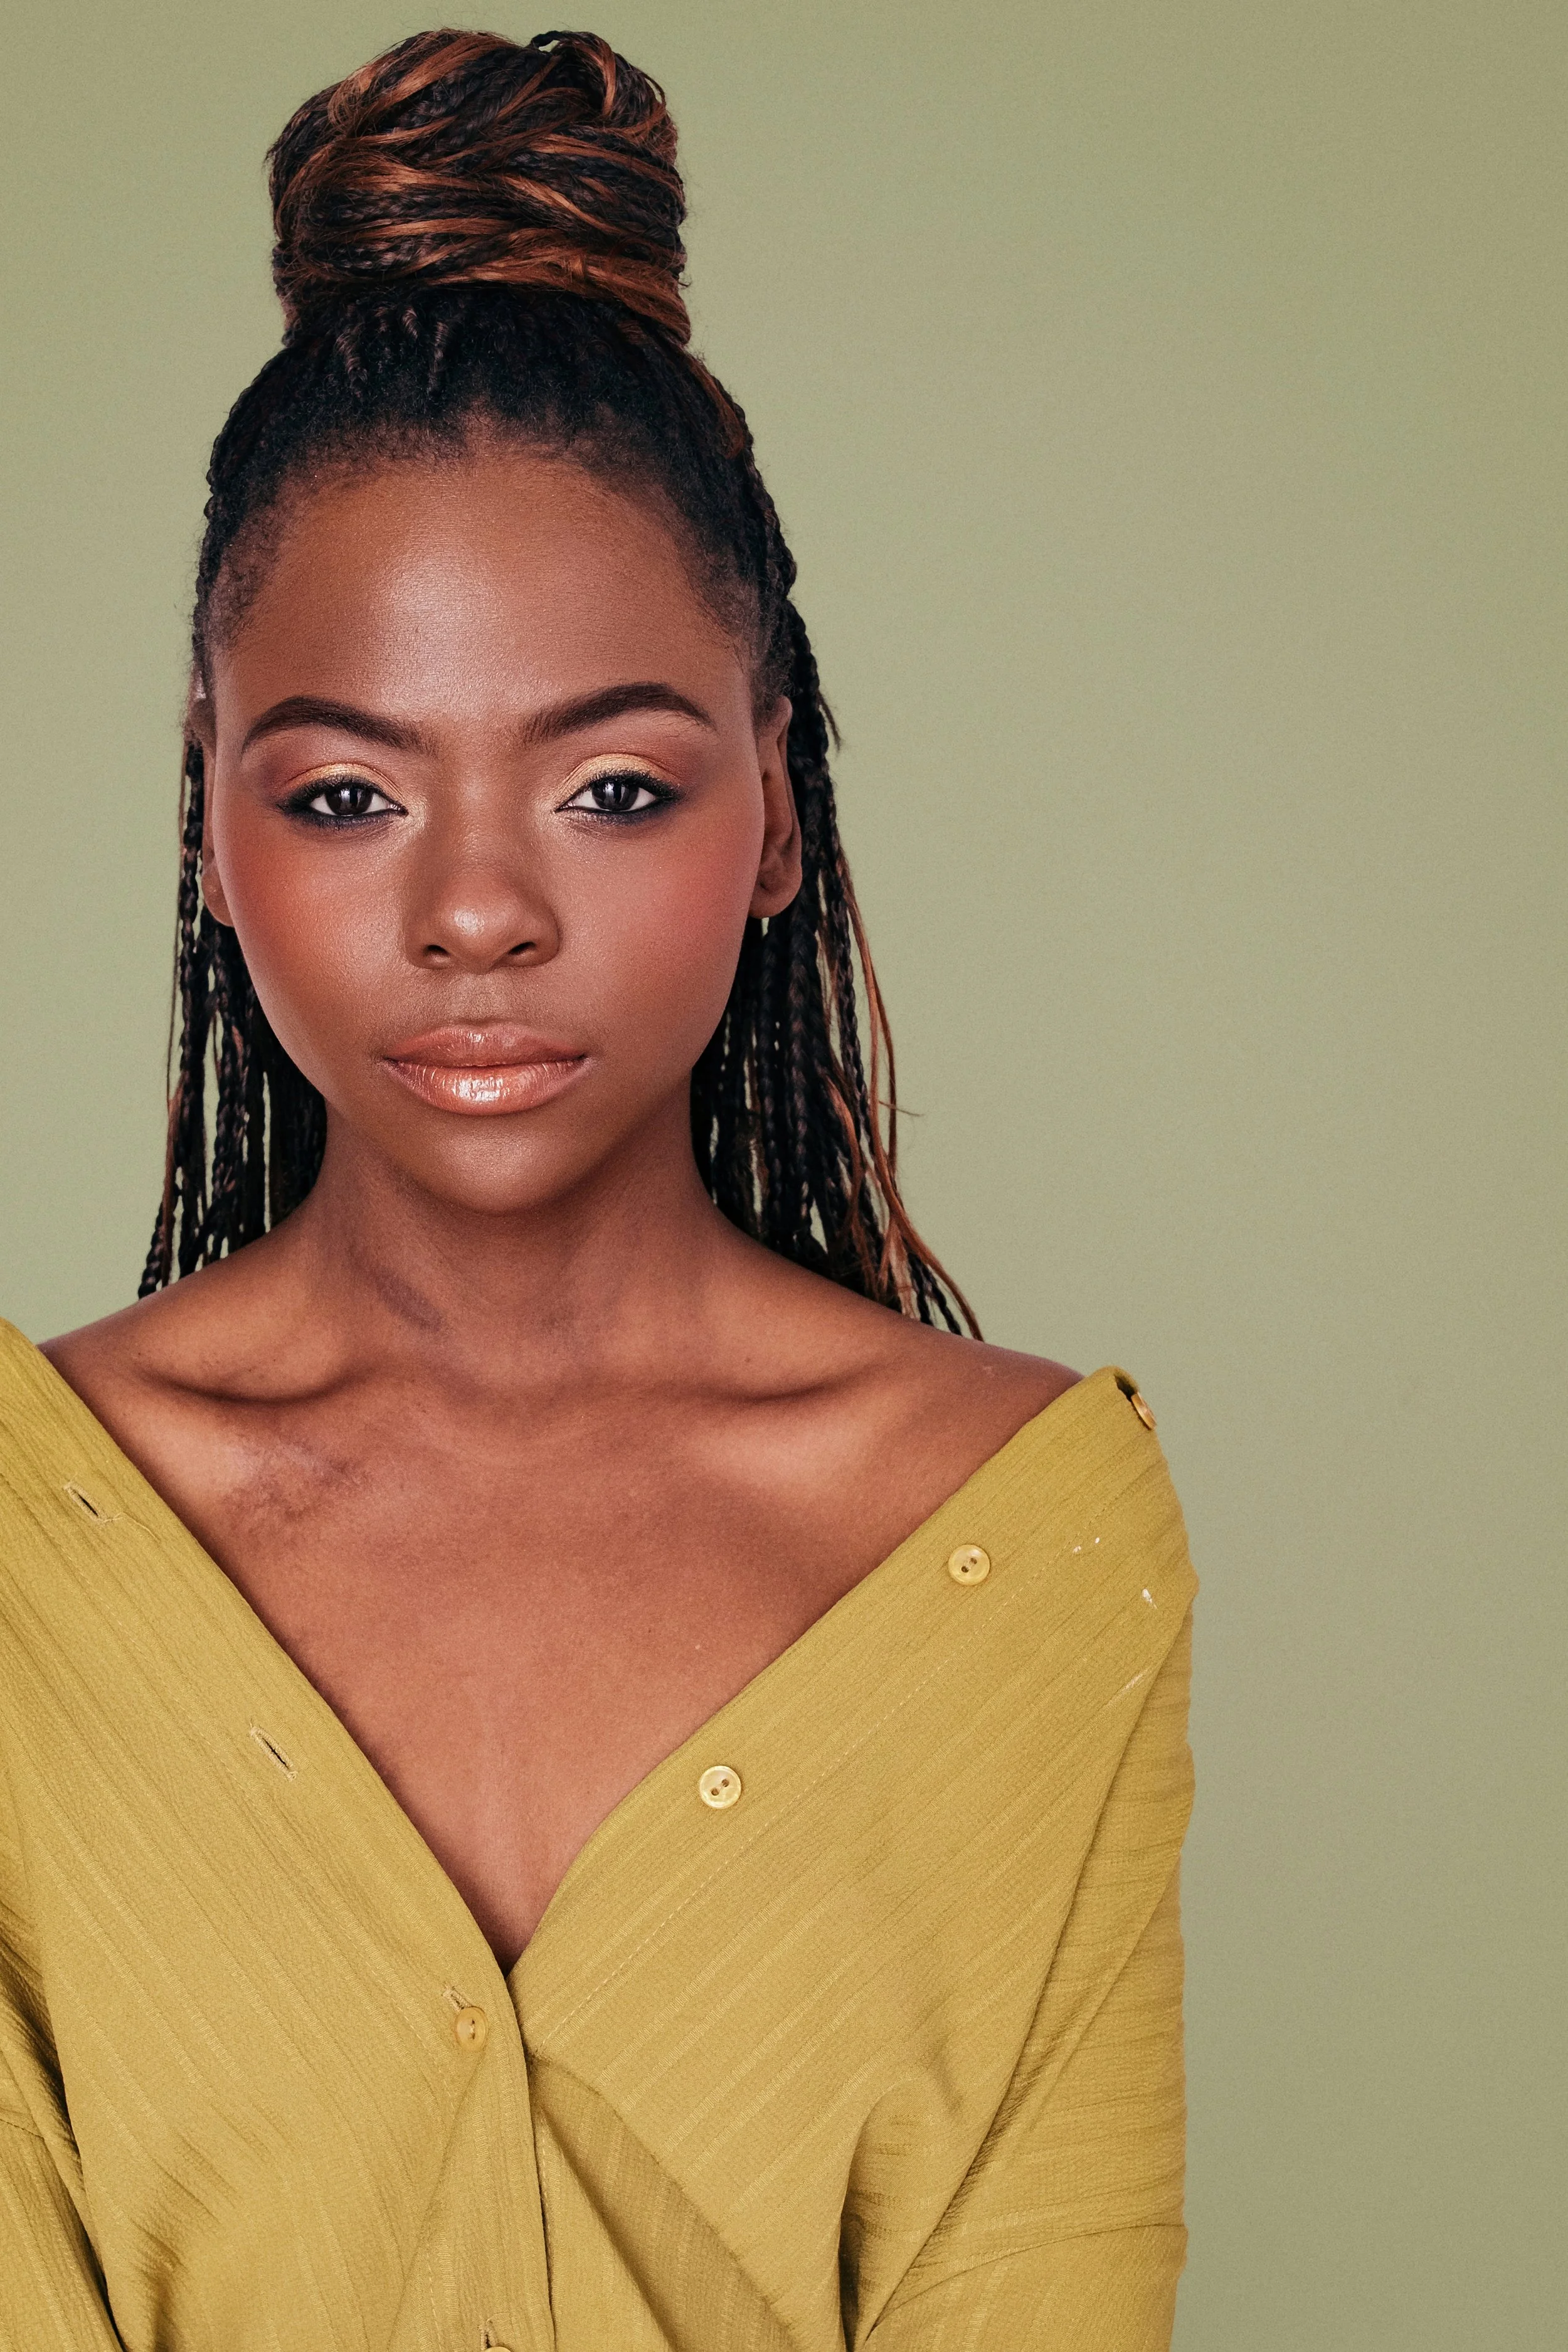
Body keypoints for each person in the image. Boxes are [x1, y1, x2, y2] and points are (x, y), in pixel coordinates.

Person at [0, 28, 1196, 2350]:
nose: (475, 913)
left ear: (771, 804)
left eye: (613, 790)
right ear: (204, 820)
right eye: (346, 795)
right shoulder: (18, 1550)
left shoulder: (1025, 1540)